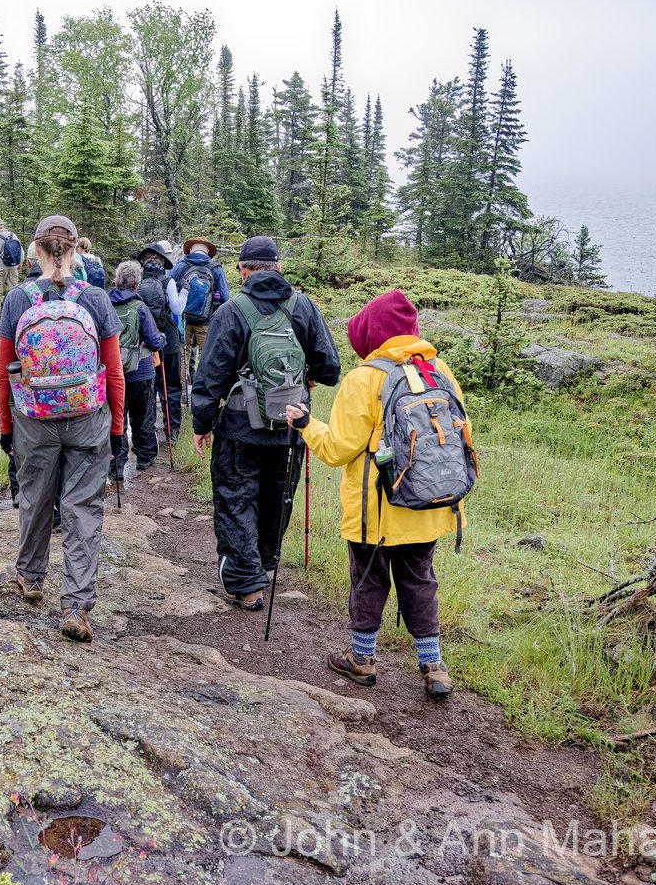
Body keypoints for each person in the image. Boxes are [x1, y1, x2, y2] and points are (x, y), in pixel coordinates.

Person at [282, 289, 464, 697]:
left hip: (377, 508)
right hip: (430, 500)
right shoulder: (440, 370)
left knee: (368, 578)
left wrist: (306, 424)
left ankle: (361, 659)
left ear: (371, 334)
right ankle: (433, 666)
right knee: (420, 579)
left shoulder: (365, 378)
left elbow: (338, 449)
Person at [0, 215, 126, 643]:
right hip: (87, 417)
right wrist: (118, 429)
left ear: (35, 250)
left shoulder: (18, 299)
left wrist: (6, 425)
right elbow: (114, 374)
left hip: (33, 418)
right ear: (74, 251)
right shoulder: (96, 298)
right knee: (83, 507)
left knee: (36, 495)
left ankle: (32, 577)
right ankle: (74, 605)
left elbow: (2, 373)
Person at [190, 235, 340, 611]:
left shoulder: (232, 311)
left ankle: (246, 585)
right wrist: (307, 376)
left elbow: (210, 377)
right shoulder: (303, 306)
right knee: (278, 498)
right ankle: (264, 565)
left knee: (236, 499)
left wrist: (202, 423)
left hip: (241, 427)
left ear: (242, 270)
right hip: (292, 426)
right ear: (278, 267)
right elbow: (330, 367)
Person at [107, 260, 165, 481]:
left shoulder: (106, 304)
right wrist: (162, 338)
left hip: (113, 373)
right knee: (143, 416)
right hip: (141, 371)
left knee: (116, 418)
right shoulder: (140, 307)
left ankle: (116, 465)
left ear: (117, 280)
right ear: (136, 284)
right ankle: (145, 457)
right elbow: (153, 341)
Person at [169, 237, 231, 393]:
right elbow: (225, 296)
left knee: (184, 354)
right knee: (206, 355)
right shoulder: (215, 268)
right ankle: (203, 391)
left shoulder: (181, 266)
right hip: (206, 320)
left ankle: (183, 391)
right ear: (208, 251)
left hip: (183, 319)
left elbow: (169, 288)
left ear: (190, 250)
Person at [136, 241, 184, 439]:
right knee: (171, 386)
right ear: (162, 261)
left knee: (148, 386)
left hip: (145, 340)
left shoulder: (137, 281)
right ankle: (172, 430)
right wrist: (186, 291)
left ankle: (148, 433)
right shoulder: (168, 281)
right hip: (169, 340)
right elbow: (177, 309)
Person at [0, 217, 22, 318]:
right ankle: (13, 311)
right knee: (13, 289)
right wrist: (19, 264)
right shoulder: (13, 235)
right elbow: (21, 251)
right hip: (13, 267)